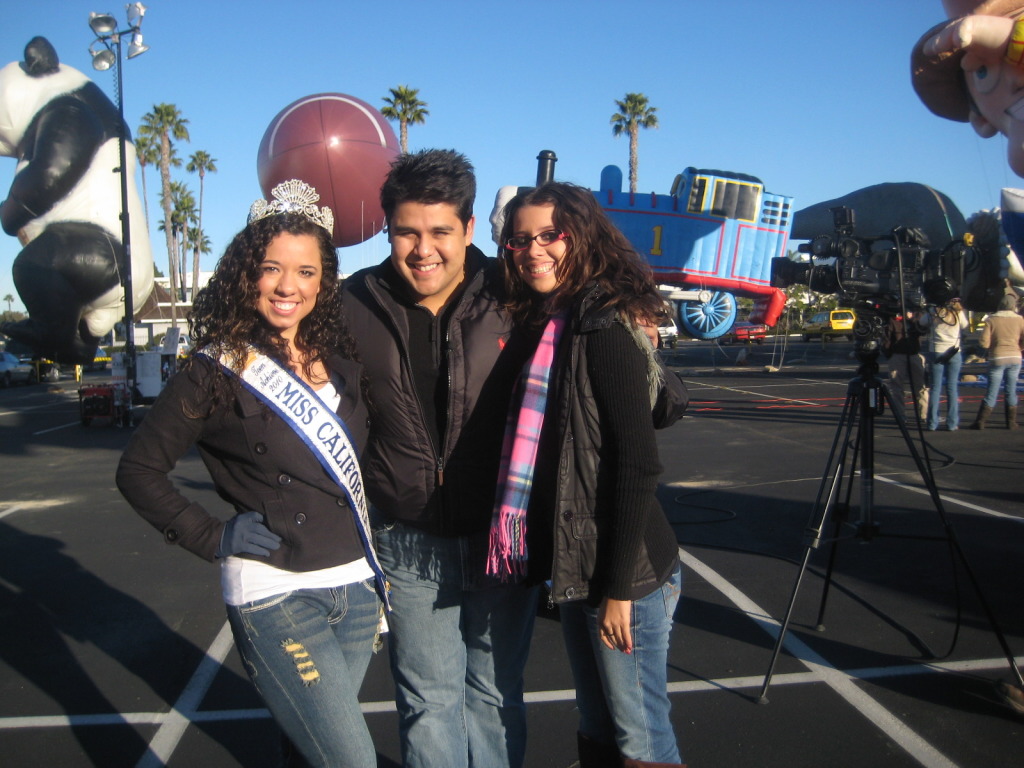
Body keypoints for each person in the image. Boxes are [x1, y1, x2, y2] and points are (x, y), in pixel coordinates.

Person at [116, 180, 389, 767]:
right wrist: (212, 535)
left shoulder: (342, 361)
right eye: (271, 269)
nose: (289, 286)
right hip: (275, 593)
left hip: (355, 588)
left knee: (307, 751)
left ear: (324, 280)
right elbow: (139, 470)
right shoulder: (213, 369)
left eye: (306, 272)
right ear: (247, 275)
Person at [341, 149, 539, 768]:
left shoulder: (516, 293)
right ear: (387, 230)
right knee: (428, 702)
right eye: (407, 232)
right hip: (407, 542)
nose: (423, 249)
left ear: (470, 228)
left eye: (440, 232)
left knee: (495, 695)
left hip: (503, 538)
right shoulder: (351, 303)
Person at [492, 182, 684, 768]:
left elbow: (637, 462)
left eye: (550, 235)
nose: (534, 250)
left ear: (582, 236)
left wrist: (619, 591)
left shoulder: (603, 325)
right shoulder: (554, 320)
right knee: (598, 723)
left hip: (627, 572)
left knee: (641, 735)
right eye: (520, 239)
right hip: (579, 561)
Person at [970, 293, 1024, 429]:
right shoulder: (1019, 320)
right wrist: (1019, 348)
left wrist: (989, 348)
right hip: (1015, 356)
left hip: (997, 357)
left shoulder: (992, 319)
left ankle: (981, 421)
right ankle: (1011, 422)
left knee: (992, 391)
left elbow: (984, 342)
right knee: (1011, 390)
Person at [920, 297, 969, 430]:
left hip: (937, 350)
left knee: (935, 388)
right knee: (952, 388)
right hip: (954, 351)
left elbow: (921, 322)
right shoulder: (958, 313)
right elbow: (965, 325)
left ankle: (932, 422)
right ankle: (952, 423)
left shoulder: (933, 312)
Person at [883, 310, 929, 422]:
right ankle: (900, 415)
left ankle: (924, 414)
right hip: (897, 354)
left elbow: (923, 330)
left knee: (921, 386)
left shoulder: (917, 315)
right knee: (896, 387)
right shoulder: (893, 319)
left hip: (914, 353)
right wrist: (889, 354)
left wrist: (911, 319)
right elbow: (887, 338)